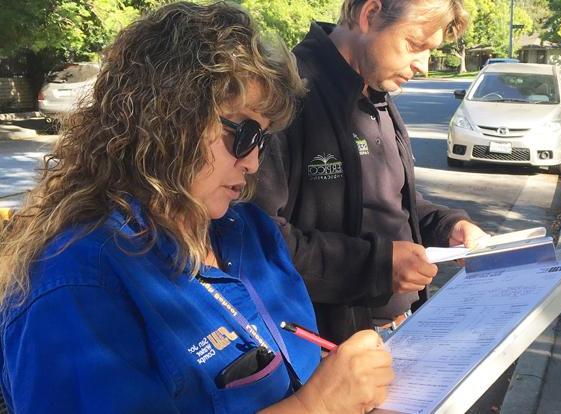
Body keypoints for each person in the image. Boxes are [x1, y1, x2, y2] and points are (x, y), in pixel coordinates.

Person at [0, 2, 393, 413]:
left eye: (262, 140)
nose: (254, 161)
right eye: (242, 133)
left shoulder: (249, 232)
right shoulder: (76, 284)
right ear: (168, 118)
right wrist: (319, 404)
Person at [254, 0, 488, 343]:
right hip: (328, 346)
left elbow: (390, 199)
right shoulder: (287, 94)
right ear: (370, 14)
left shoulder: (376, 91)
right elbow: (257, 239)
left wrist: (448, 225)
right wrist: (375, 265)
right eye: (414, 45)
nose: (423, 66)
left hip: (404, 327)